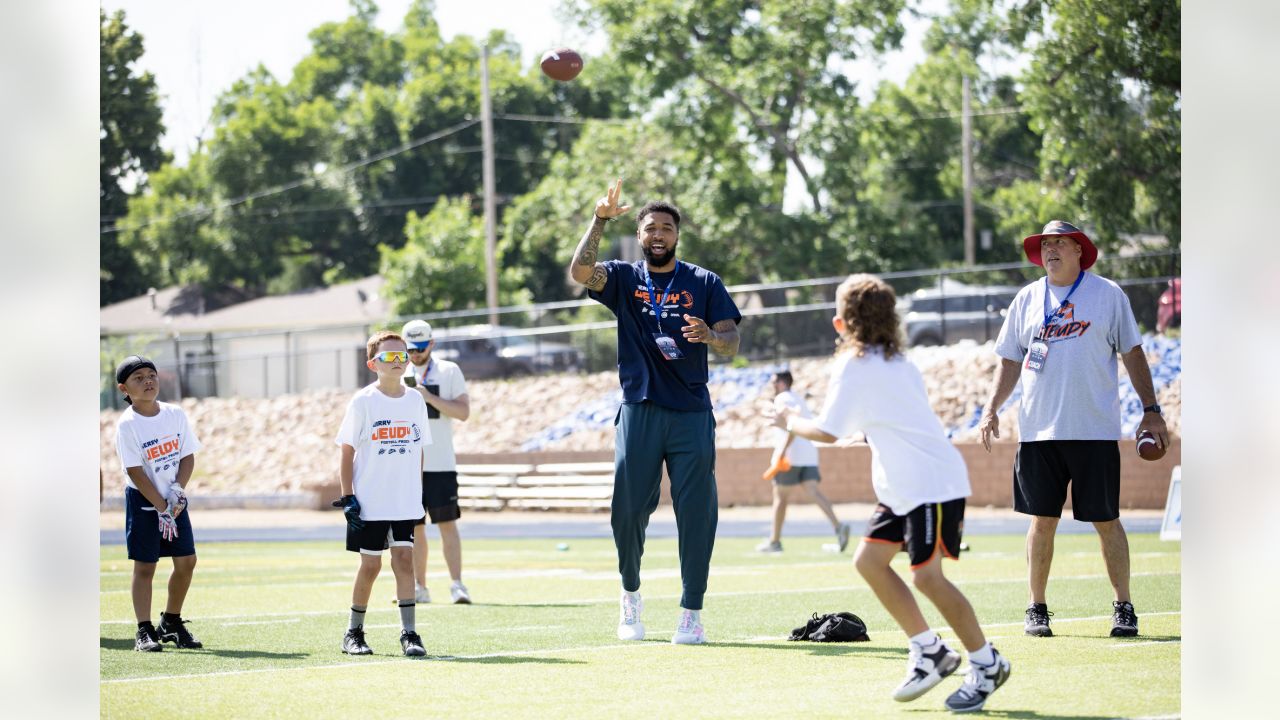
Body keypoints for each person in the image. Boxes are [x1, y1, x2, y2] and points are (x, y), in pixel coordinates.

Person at [772, 274, 1011, 713]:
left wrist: (787, 420)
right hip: (905, 486)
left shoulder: (856, 364)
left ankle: (986, 661)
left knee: (927, 577)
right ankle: (930, 650)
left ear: (843, 322)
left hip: (928, 484)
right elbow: (893, 416)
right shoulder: (898, 361)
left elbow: (825, 430)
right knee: (869, 560)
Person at [568, 178, 742, 645]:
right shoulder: (624, 278)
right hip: (639, 409)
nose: (658, 234)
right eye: (650, 228)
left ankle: (691, 612)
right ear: (640, 235)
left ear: (677, 236)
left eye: (666, 227)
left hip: (690, 413)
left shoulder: (704, 282)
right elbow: (581, 273)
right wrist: (600, 219)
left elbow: (732, 341)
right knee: (626, 509)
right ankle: (630, 597)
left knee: (698, 512)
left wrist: (711, 337)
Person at [979, 220, 1168, 639]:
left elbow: (1133, 353)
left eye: (1060, 243)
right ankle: (1037, 607)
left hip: (1094, 429)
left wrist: (1151, 409)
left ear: (1079, 249)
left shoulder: (1107, 295)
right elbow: (1009, 361)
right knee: (1041, 521)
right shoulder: (1026, 299)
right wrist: (992, 407)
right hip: (1039, 431)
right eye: (1046, 244)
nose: (1051, 250)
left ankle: (1124, 605)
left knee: (1107, 520)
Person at [334, 331, 432, 657]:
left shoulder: (415, 400)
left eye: (402, 356)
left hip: (403, 500)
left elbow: (419, 450)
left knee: (405, 561)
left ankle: (410, 634)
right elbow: (346, 451)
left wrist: (417, 493)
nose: (397, 362)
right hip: (370, 501)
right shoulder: (363, 401)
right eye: (389, 357)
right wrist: (348, 496)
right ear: (372, 363)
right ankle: (353, 632)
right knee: (371, 566)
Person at [113, 355, 205, 652]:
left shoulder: (175, 414)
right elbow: (135, 472)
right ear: (123, 388)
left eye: (151, 374)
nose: (148, 381)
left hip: (174, 500)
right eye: (138, 378)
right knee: (145, 567)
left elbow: (187, 455)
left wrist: (177, 491)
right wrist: (161, 507)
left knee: (187, 561)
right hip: (144, 502)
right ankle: (144, 629)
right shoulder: (128, 425)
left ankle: (172, 622)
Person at [400, 318, 473, 605]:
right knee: (415, 529)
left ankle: (457, 584)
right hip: (409, 465)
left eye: (420, 348)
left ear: (431, 343)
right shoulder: (398, 370)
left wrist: (428, 397)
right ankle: (420, 587)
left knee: (447, 525)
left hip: (441, 462)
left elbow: (463, 412)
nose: (415, 354)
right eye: (410, 349)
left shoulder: (448, 370)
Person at [756, 370, 851, 554]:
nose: (772, 385)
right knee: (813, 492)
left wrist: (781, 453)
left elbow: (793, 427)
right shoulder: (798, 398)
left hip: (791, 456)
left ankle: (774, 542)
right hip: (808, 453)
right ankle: (838, 527)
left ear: (782, 383)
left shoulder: (783, 398)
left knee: (780, 498)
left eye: (774, 381)